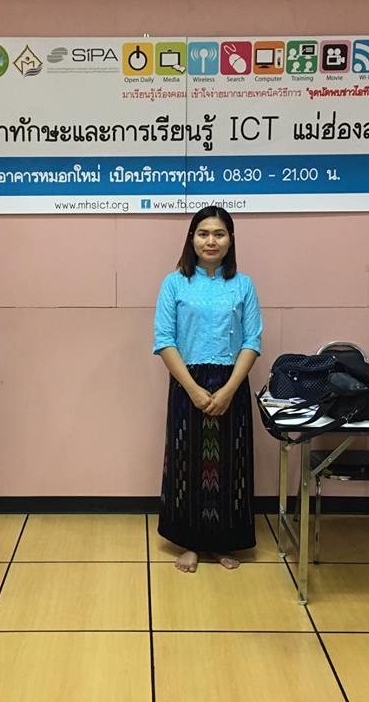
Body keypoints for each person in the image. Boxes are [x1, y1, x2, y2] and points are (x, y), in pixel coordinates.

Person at [152, 206, 262, 573]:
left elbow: (252, 341)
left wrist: (229, 389)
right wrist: (193, 389)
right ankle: (190, 542)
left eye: (219, 234)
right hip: (187, 382)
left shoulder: (243, 285)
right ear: (191, 239)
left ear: (230, 240)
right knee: (187, 461)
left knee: (230, 463)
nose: (210, 241)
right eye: (203, 233)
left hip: (232, 383)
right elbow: (164, 340)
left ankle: (224, 542)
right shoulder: (174, 283)